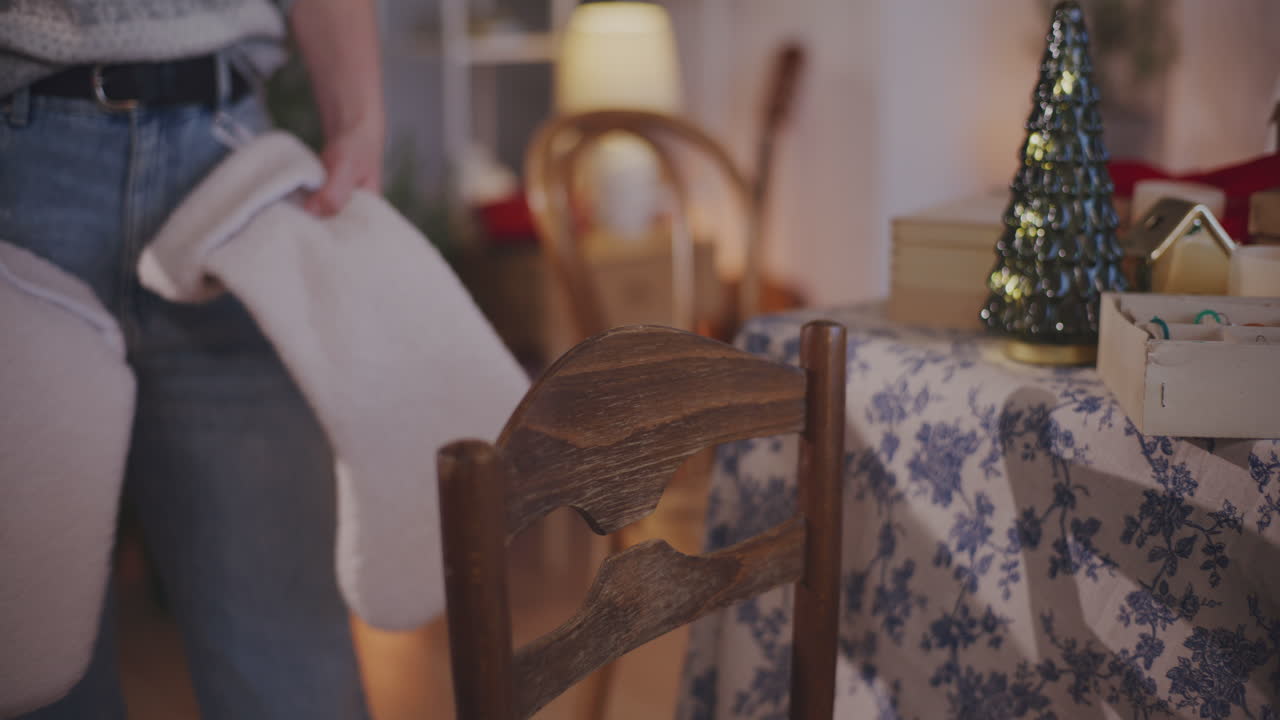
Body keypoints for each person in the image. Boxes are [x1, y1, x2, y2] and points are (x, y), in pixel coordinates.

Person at [0, 1, 384, 717]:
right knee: (30, 673)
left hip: (232, 170)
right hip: (19, 166)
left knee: (293, 672)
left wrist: (359, 119)